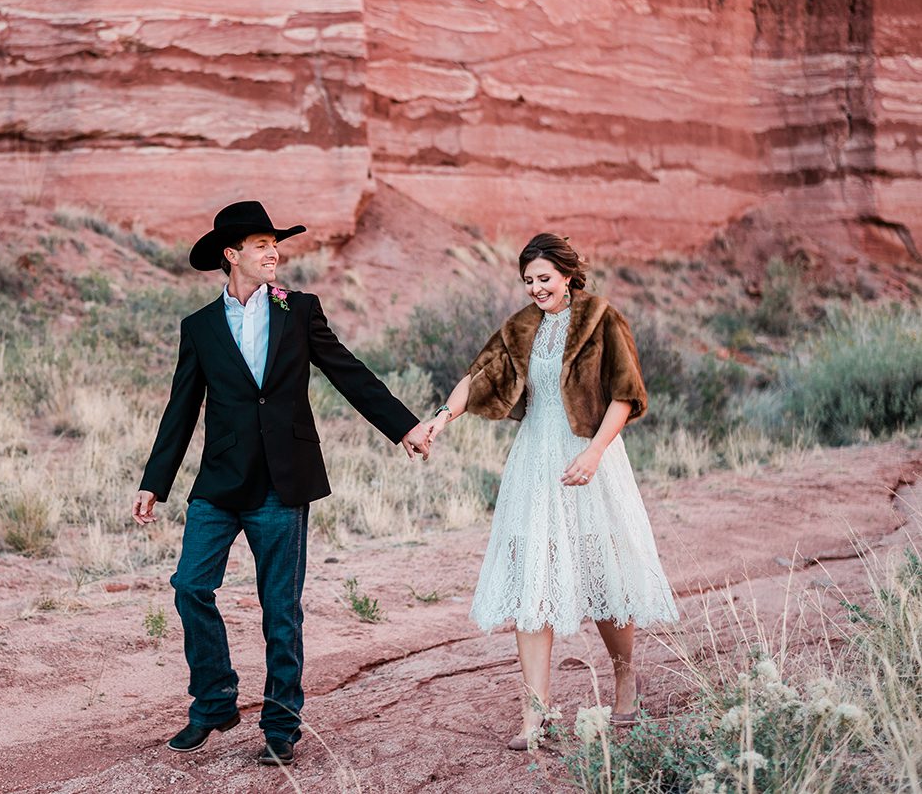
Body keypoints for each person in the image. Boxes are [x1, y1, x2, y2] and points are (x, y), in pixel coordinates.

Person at [133, 200, 431, 767]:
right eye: (263, 244)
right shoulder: (198, 327)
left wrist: (404, 427)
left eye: (276, 243)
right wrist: (156, 482)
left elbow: (348, 372)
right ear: (232, 255)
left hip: (283, 481)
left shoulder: (300, 310)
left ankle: (280, 724)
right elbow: (180, 409)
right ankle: (214, 703)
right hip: (219, 483)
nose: (274, 252)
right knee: (190, 587)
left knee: (280, 608)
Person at [424, 233, 678, 750]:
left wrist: (593, 453)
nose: (536, 289)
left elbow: (626, 395)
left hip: (590, 456)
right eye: (528, 281)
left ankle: (625, 680)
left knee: (601, 566)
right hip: (534, 462)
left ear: (567, 275)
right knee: (530, 580)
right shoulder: (520, 327)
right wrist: (440, 420)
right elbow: (477, 378)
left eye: (544, 278)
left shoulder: (601, 319)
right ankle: (533, 717)